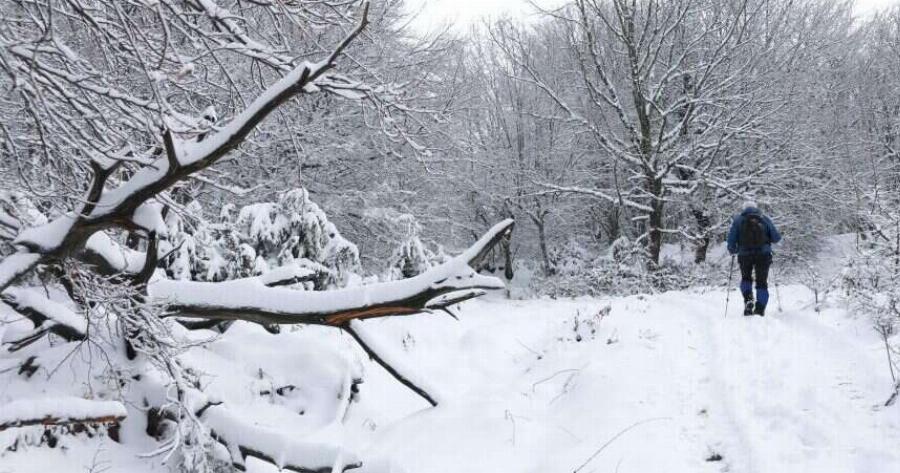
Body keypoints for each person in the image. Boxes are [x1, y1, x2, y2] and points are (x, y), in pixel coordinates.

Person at [727, 201, 782, 316]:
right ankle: (760, 309)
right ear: (756, 208)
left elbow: (731, 240)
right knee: (762, 282)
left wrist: (734, 250)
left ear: (744, 209)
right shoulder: (764, 219)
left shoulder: (738, 220)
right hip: (763, 255)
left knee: (746, 278)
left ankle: (748, 299)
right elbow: (776, 238)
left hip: (744, 255)